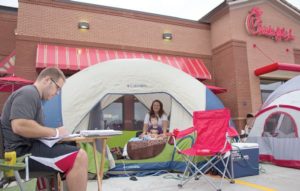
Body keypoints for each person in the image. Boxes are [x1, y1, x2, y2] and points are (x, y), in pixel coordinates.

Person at [1, 67, 88, 191]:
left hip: (27, 151)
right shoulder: (28, 93)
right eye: (57, 87)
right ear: (47, 80)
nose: (57, 93)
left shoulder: (34, 97)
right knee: (79, 157)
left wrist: (57, 136)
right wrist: (56, 132)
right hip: (19, 156)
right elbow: (19, 125)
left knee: (72, 147)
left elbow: (31, 129)